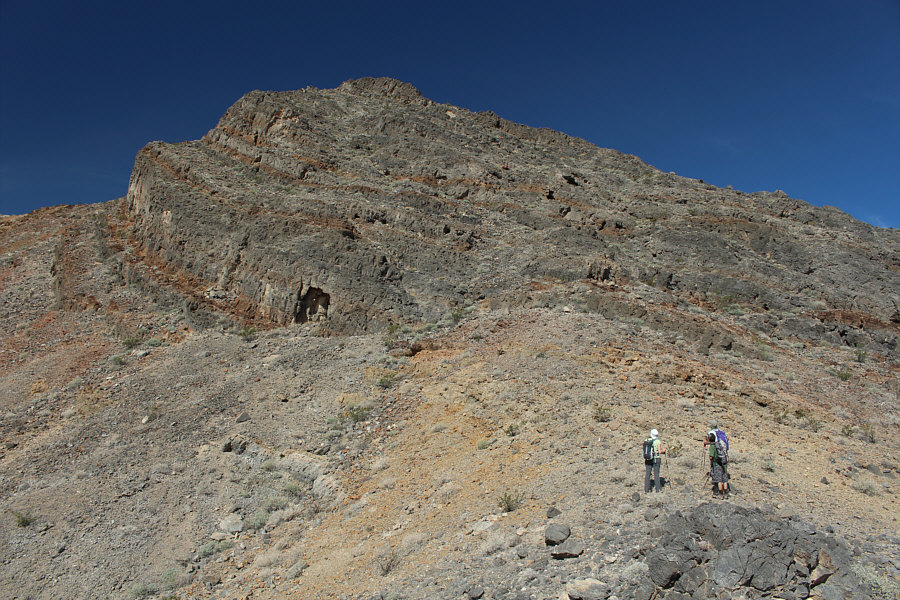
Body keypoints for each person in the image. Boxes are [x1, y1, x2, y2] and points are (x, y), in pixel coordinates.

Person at [705, 431, 729, 498]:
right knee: (724, 479)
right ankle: (726, 493)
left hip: (717, 464)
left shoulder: (713, 446)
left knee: (719, 479)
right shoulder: (719, 444)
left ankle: (719, 494)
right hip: (723, 463)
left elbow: (711, 457)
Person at [644, 429, 667, 493]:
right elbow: (659, 451)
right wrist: (664, 451)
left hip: (648, 459)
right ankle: (658, 489)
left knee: (648, 474)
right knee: (656, 474)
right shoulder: (657, 441)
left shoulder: (647, 440)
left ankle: (647, 489)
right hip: (656, 459)